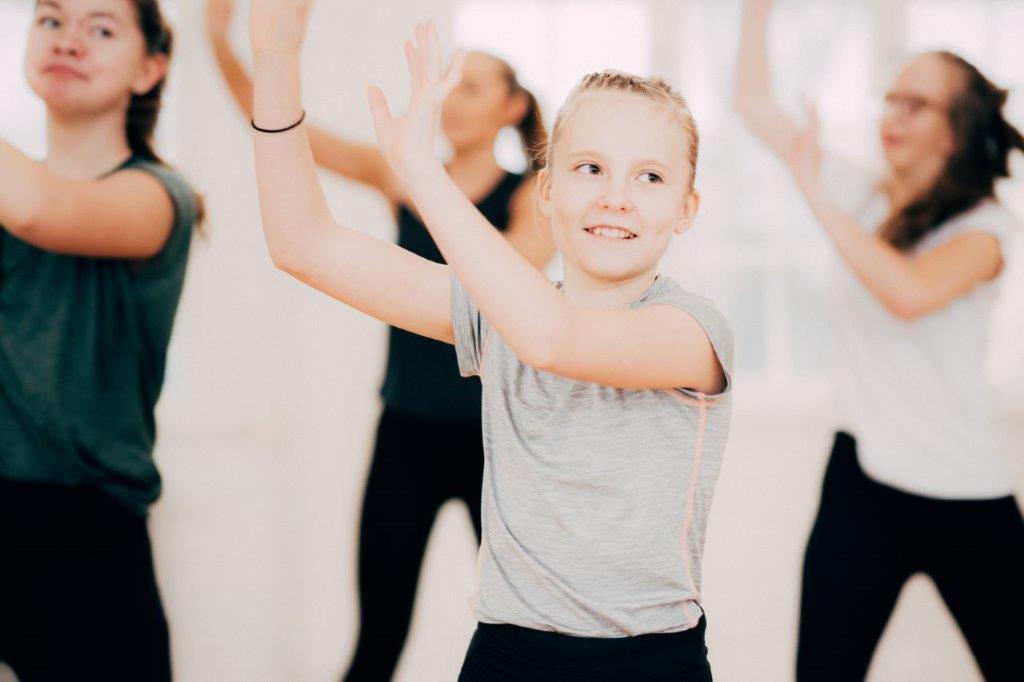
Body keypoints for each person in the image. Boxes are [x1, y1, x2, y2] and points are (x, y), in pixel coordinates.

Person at [248, 2, 733, 679]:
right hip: (508, 657)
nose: (616, 196)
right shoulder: (499, 317)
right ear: (545, 194)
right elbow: (304, 244)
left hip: (651, 662)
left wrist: (421, 169)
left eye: (649, 176)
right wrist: (274, 67)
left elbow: (554, 340)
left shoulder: (693, 331)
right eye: (589, 168)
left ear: (686, 209)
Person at [206, 2, 552, 676]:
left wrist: (420, 180)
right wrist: (229, 45)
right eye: (449, 83)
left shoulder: (534, 191)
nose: (452, 99)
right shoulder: (405, 172)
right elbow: (284, 131)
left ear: (512, 107)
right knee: (379, 636)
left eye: (474, 86)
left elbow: (504, 286)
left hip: (498, 439)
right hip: (407, 432)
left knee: (527, 636)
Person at [735, 0, 1024, 679]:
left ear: (955, 132)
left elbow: (907, 293)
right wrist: (755, 12)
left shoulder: (986, 229)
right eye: (890, 98)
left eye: (916, 104)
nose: (892, 114)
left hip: (965, 489)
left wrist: (812, 186)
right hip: (863, 481)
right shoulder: (862, 195)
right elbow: (753, 104)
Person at [0, 1, 201, 680]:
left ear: (151, 69)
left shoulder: (160, 196)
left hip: (84, 538)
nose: (69, 41)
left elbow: (40, 210)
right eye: (51, 20)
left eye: (102, 28)